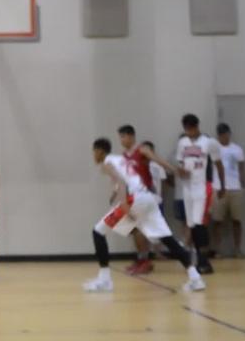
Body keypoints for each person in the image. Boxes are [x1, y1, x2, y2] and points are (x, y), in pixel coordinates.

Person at [83, 138, 205, 292]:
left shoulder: (106, 163)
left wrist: (124, 204)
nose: (93, 155)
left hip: (134, 200)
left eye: (93, 152)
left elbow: (121, 181)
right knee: (167, 239)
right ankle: (195, 278)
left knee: (98, 232)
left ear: (99, 151)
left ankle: (105, 280)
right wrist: (175, 170)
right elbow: (137, 172)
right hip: (148, 198)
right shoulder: (121, 159)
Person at [176, 114, 223, 274]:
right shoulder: (182, 143)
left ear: (197, 126)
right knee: (191, 224)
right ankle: (198, 259)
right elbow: (180, 164)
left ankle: (204, 260)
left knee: (199, 223)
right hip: (187, 188)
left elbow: (219, 165)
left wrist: (222, 185)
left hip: (202, 187)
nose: (189, 132)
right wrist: (181, 171)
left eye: (191, 129)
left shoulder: (209, 142)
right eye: (186, 129)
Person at [118, 125, 157, 275]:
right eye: (120, 137)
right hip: (132, 195)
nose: (121, 140)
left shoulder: (142, 152)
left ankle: (145, 261)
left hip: (144, 195)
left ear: (131, 136)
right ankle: (142, 260)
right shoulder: (125, 156)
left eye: (123, 137)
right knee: (132, 229)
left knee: (139, 229)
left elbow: (152, 167)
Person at [211, 123, 245, 258]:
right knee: (217, 221)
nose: (224, 137)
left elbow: (242, 168)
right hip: (218, 187)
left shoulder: (237, 149)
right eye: (221, 134)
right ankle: (218, 250)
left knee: (237, 220)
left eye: (225, 134)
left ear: (229, 134)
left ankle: (237, 249)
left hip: (235, 188)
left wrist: (242, 184)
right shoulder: (214, 149)